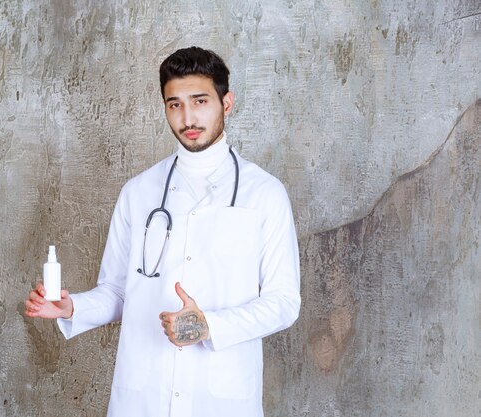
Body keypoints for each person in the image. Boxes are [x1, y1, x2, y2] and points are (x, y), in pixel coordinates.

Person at [25, 46, 301, 417]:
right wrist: (72, 306)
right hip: (143, 396)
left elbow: (283, 303)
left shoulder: (264, 194)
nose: (188, 116)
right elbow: (119, 291)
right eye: (175, 104)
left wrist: (209, 326)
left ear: (227, 102)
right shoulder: (139, 193)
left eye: (200, 100)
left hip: (220, 398)